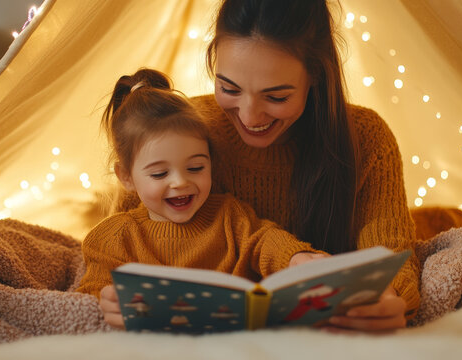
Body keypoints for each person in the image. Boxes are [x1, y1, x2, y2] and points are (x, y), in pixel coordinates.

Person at [111, 0, 421, 331]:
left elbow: (391, 256)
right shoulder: (184, 132)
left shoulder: (366, 138)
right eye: (229, 88)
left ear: (315, 74)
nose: (249, 116)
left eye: (276, 97)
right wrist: (112, 295)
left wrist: (392, 297)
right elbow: (124, 240)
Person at [76, 68, 325, 329]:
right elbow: (93, 294)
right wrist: (109, 302)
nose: (181, 182)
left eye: (195, 168)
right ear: (126, 177)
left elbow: (264, 240)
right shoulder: (114, 237)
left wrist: (296, 258)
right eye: (160, 173)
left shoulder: (229, 215)